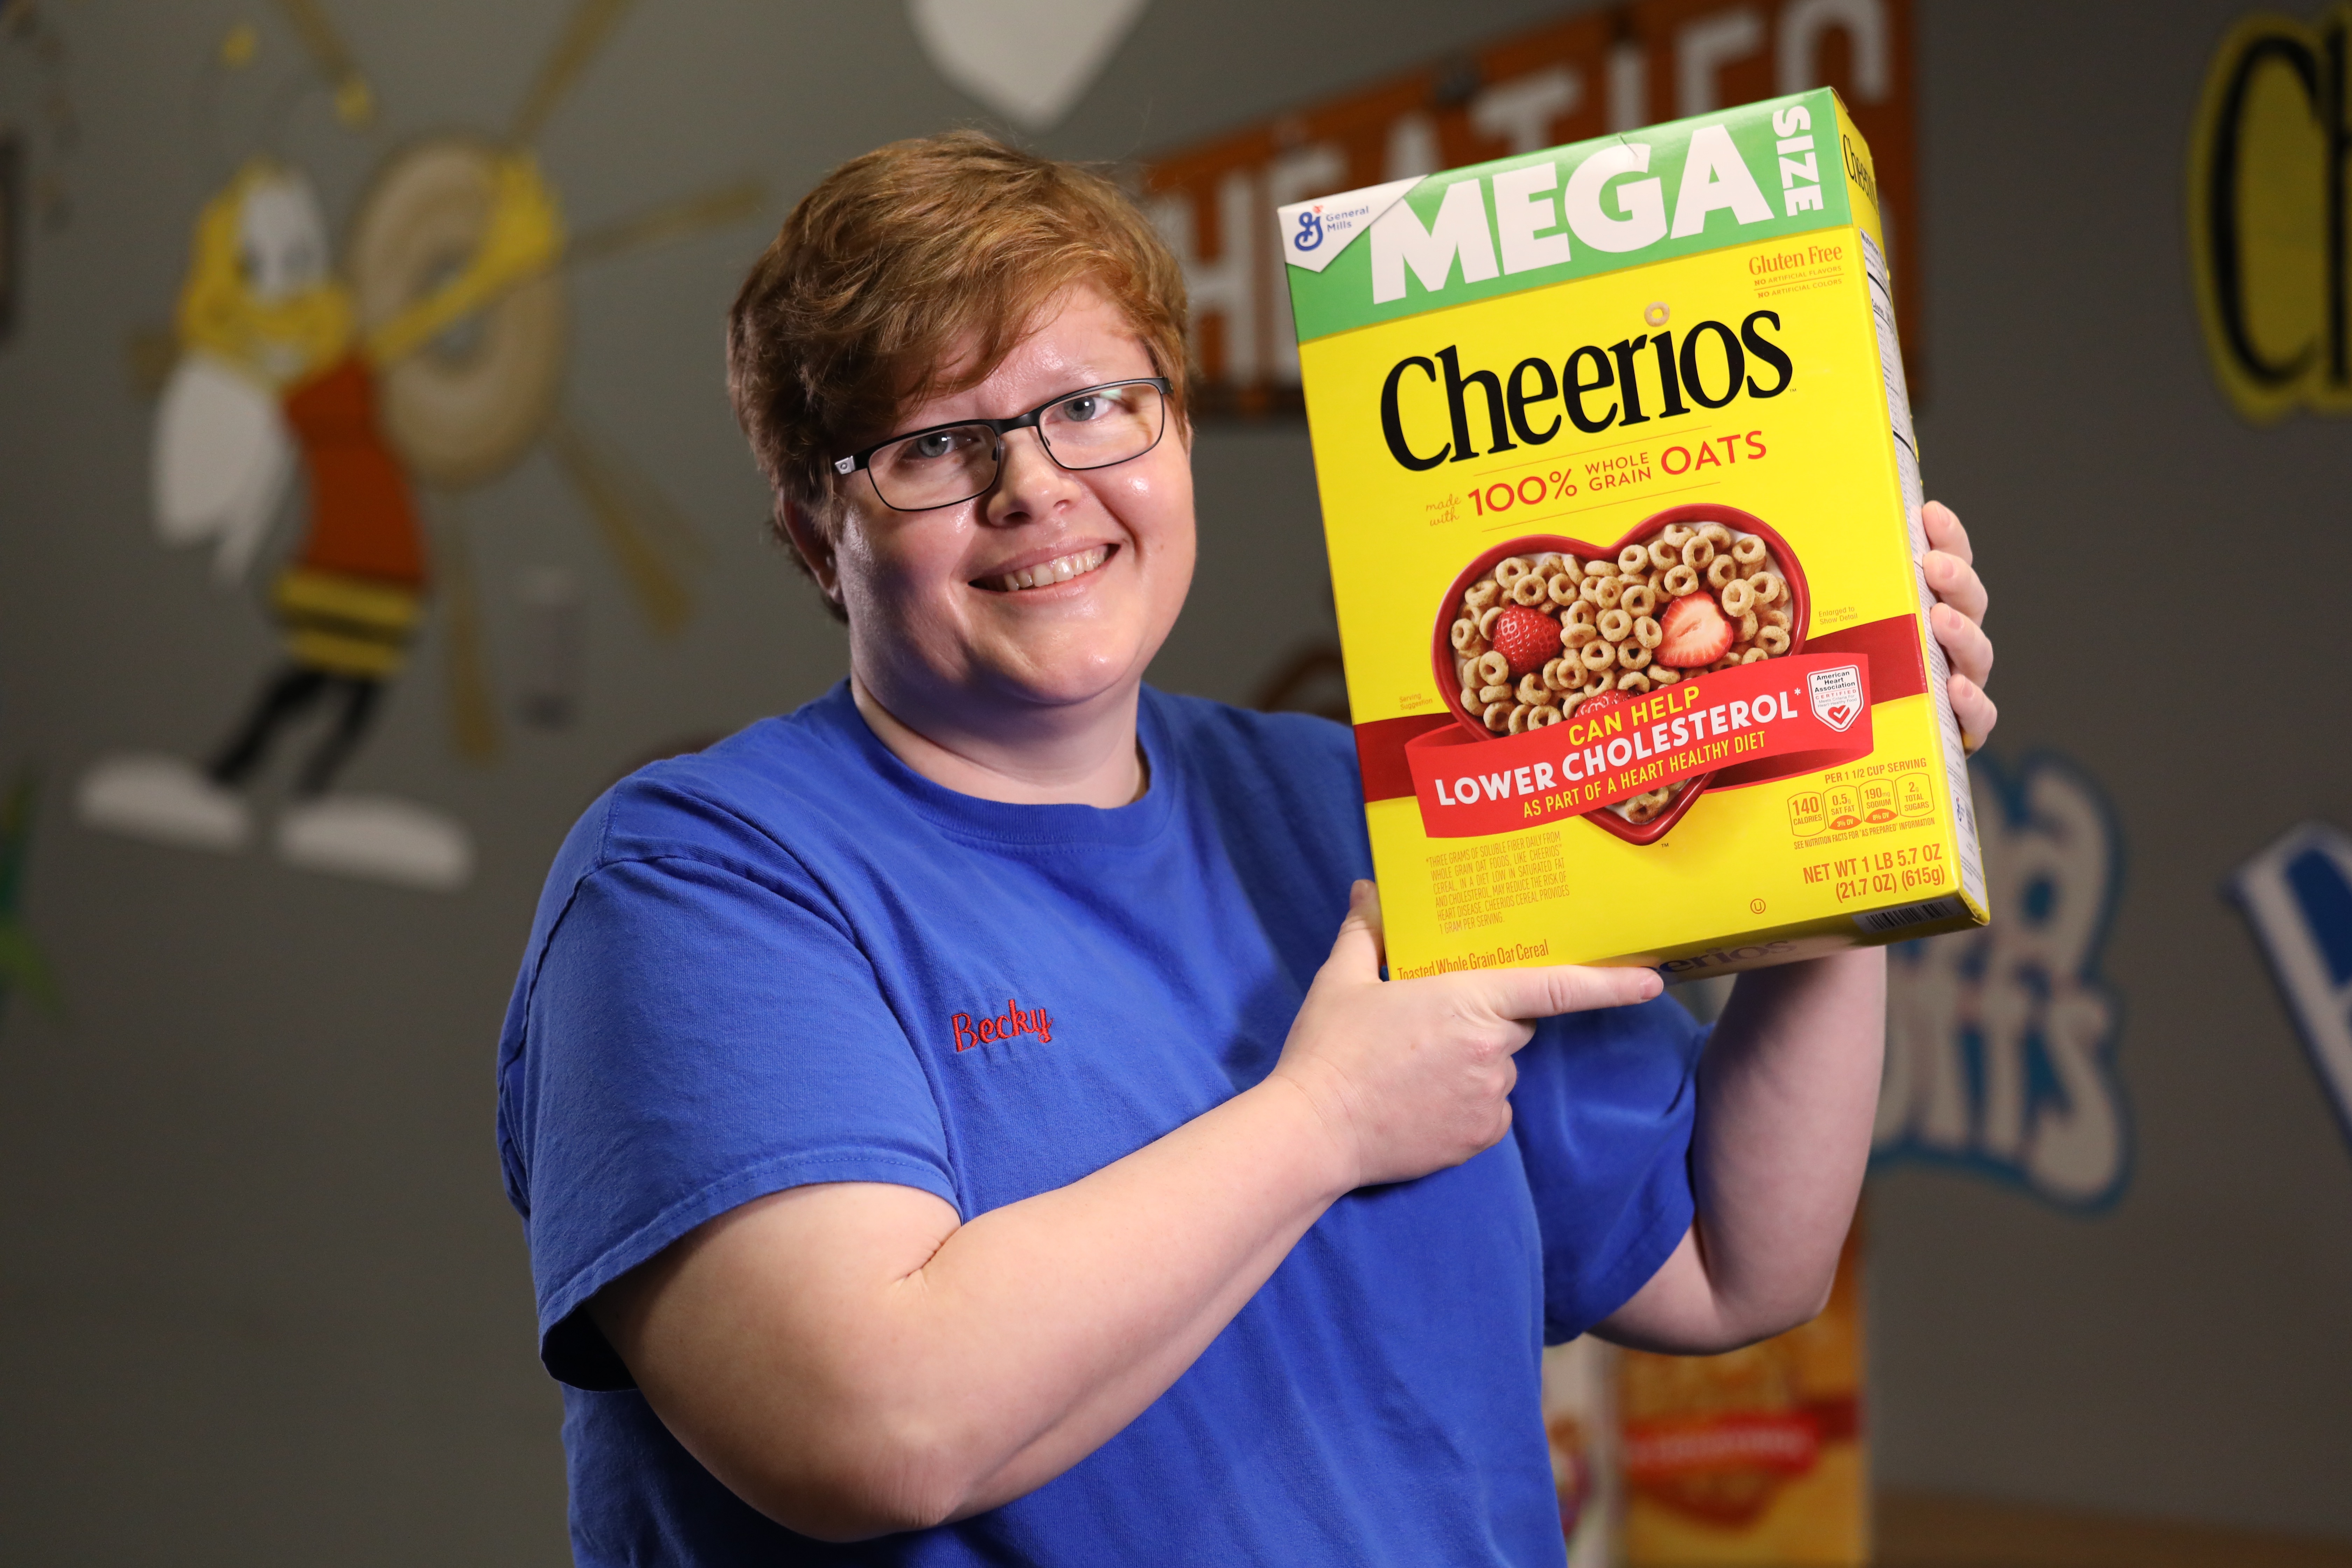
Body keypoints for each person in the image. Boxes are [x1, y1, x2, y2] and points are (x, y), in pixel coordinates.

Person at [496, 132, 1996, 1565]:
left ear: (1179, 431)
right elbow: (873, 1423)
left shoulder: (1366, 805)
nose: (1035, 487)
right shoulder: (700, 883)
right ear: (816, 530)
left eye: (1093, 405)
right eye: (936, 445)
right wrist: (1326, 1118)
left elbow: (1736, 1257)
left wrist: (1844, 797)